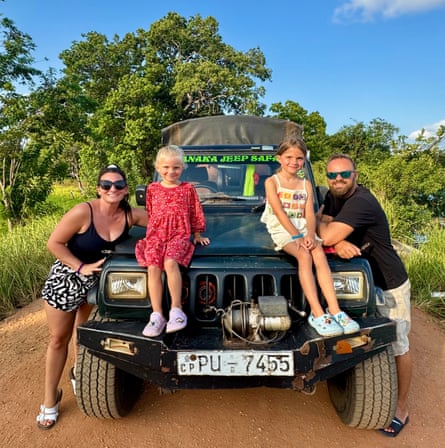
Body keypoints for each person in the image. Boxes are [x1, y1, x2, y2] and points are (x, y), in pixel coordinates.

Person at [36, 165, 147, 430]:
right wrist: (80, 266)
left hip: (98, 281)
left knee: (83, 331)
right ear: (98, 188)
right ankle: (50, 400)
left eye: (118, 185)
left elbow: (164, 221)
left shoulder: (130, 215)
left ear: (126, 189)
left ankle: (79, 373)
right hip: (68, 278)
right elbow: (54, 243)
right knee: (57, 339)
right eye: (106, 185)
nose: (112, 189)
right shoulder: (83, 212)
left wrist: (196, 228)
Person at [318, 153, 412, 438]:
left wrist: (335, 235)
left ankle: (401, 409)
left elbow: (324, 232)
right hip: (360, 280)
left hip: (388, 282)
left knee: (397, 344)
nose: (337, 180)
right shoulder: (335, 195)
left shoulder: (362, 201)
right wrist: (335, 234)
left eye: (344, 175)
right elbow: (320, 219)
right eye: (332, 175)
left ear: (355, 175)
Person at [260, 137, 359, 337]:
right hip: (282, 228)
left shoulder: (305, 184)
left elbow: (309, 213)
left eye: (299, 158)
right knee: (304, 256)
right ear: (279, 158)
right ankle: (316, 312)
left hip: (304, 226)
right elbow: (278, 213)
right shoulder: (272, 182)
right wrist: (296, 236)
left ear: (303, 160)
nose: (293, 162)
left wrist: (310, 234)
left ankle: (335, 309)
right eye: (289, 157)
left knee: (319, 254)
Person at [135, 145, 210, 338]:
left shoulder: (187, 189)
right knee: (153, 266)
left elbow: (195, 211)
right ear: (158, 168)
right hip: (156, 235)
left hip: (179, 234)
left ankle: (176, 310)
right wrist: (154, 230)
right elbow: (151, 212)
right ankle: (157, 314)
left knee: (170, 262)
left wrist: (198, 233)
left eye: (176, 167)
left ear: (183, 168)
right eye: (166, 167)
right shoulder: (152, 189)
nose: (171, 171)